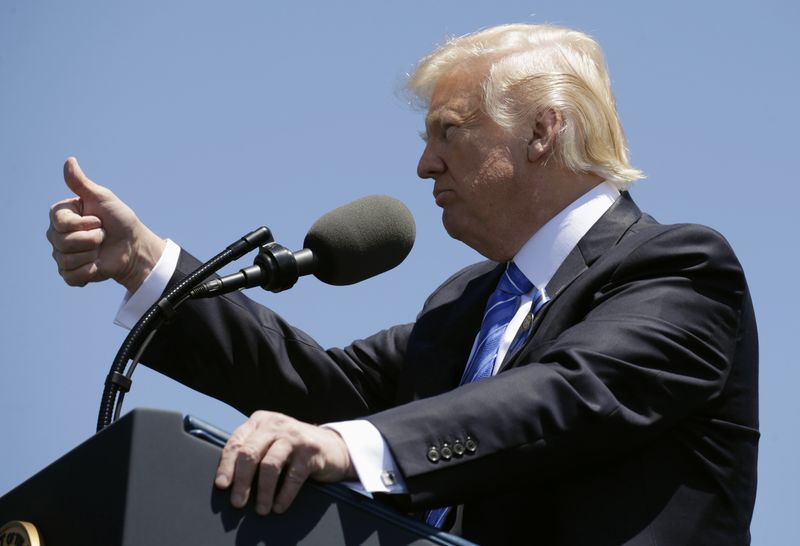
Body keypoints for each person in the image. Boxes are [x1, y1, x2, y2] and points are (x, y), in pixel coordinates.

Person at [46, 24, 758, 545]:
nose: (424, 166)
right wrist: (145, 262)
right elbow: (322, 389)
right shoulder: (467, 307)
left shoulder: (679, 268)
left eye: (448, 131)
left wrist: (346, 447)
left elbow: (566, 396)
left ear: (542, 132)